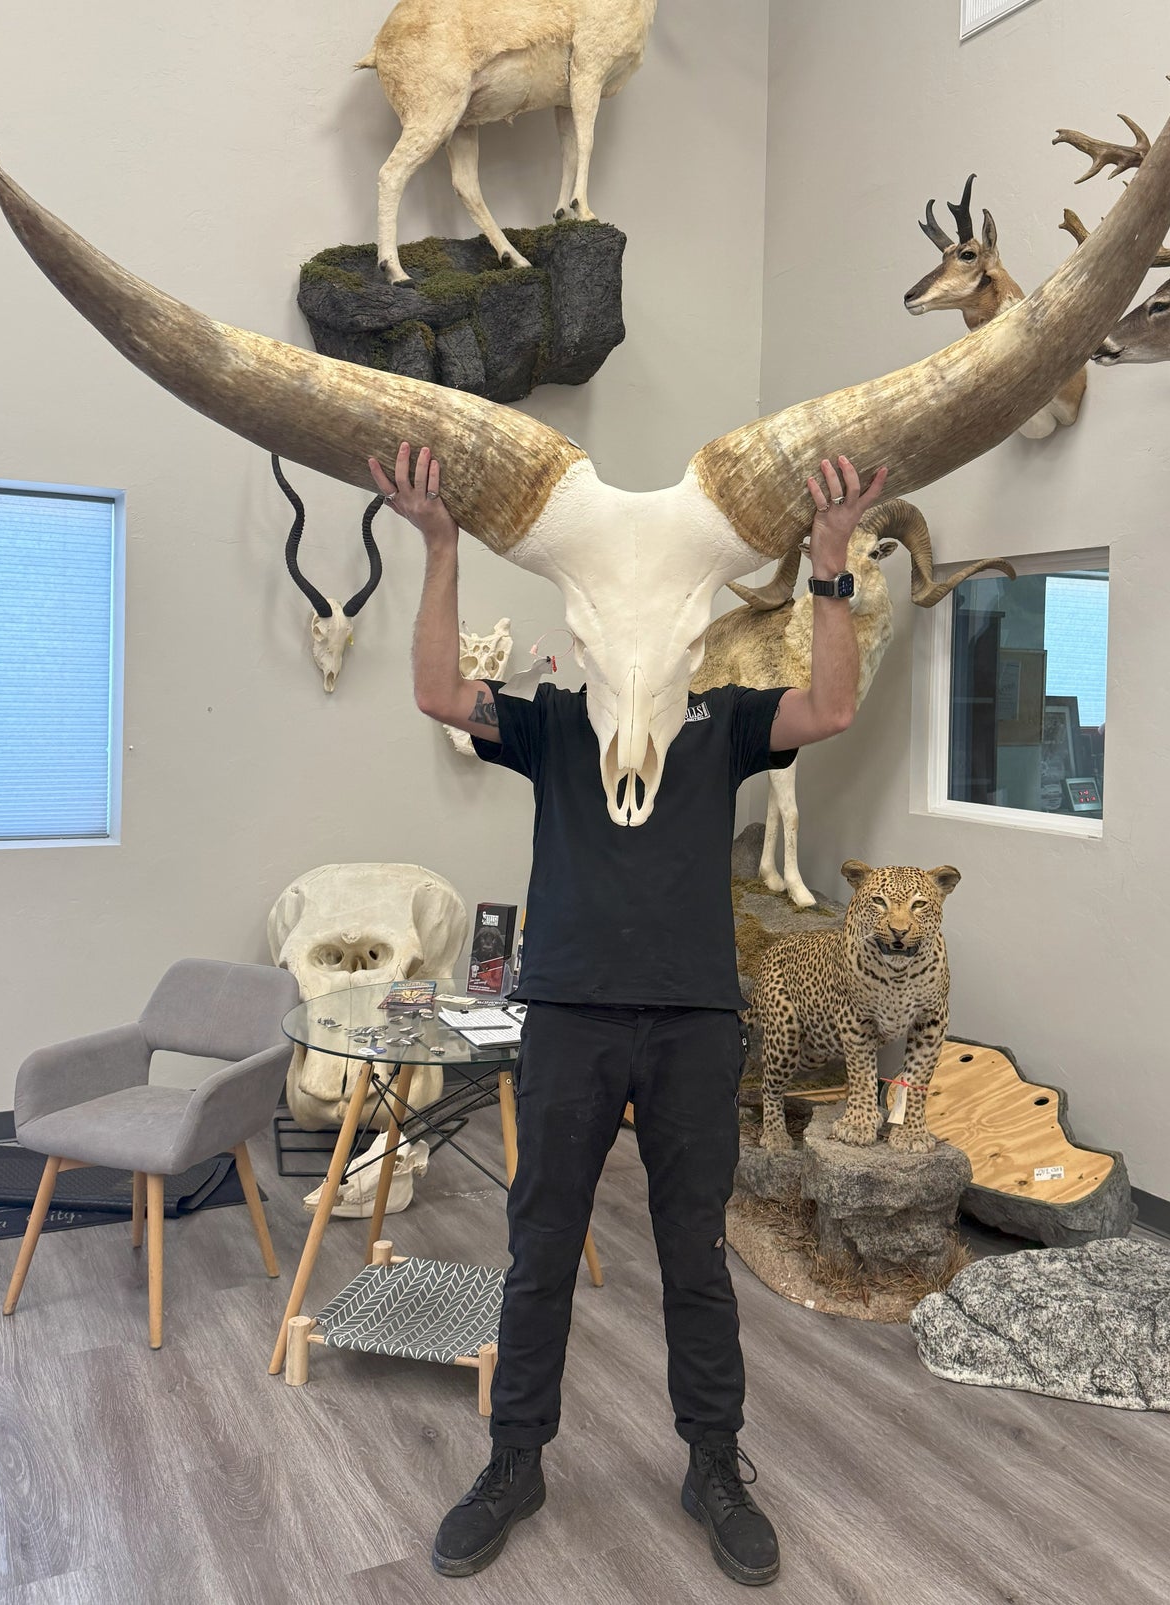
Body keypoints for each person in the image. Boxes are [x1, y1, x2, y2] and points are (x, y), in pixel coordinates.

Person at [370, 440, 886, 1587]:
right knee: (539, 1248)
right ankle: (515, 1459)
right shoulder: (552, 728)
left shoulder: (732, 724)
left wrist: (832, 564)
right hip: (568, 1019)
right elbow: (438, 693)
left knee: (695, 1253)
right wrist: (442, 544)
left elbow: (835, 707)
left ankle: (713, 1463)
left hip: (696, 1022)